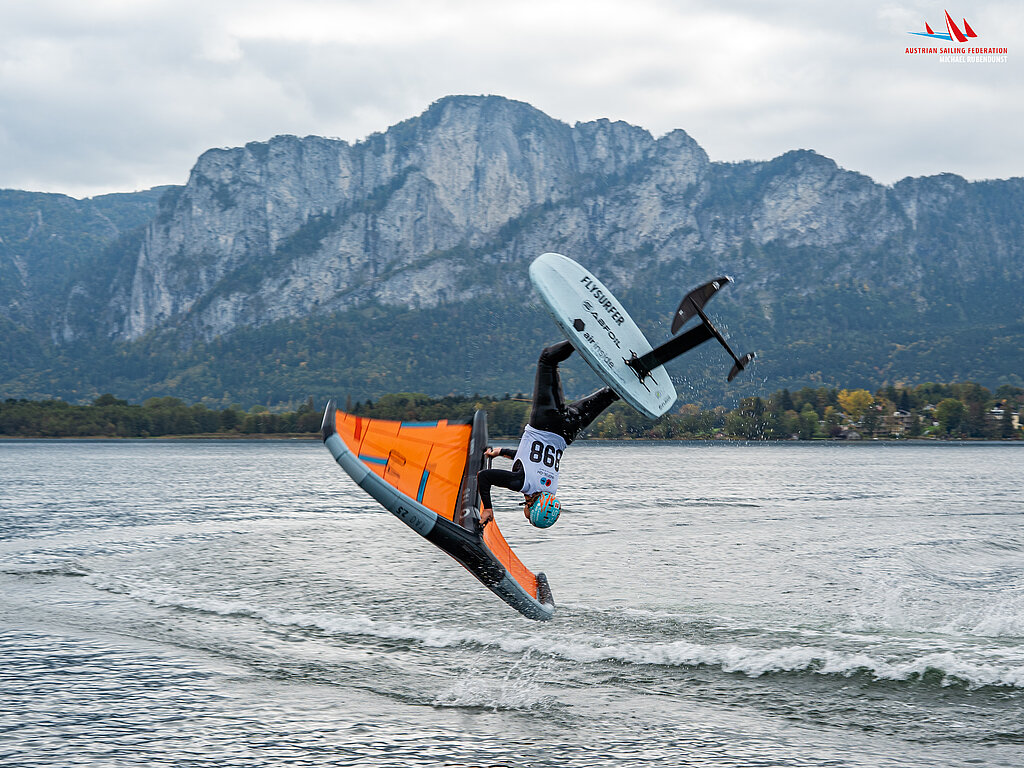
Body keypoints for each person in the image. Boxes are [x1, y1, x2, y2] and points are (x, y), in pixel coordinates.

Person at [477, 340, 618, 530]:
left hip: (568, 431)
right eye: (529, 517)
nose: (526, 516)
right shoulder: (521, 483)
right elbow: (484, 476)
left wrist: (500, 451)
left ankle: (640, 370)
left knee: (610, 394)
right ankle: (582, 338)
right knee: (547, 360)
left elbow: (527, 457)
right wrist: (488, 508)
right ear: (531, 507)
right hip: (546, 422)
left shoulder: (550, 489)